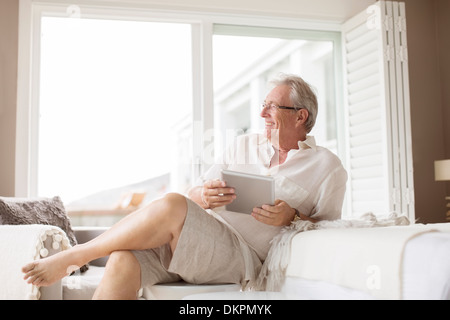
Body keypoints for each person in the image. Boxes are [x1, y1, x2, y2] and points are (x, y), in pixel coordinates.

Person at [22, 74, 347, 299]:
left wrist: (291, 217)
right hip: (195, 238)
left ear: (301, 116)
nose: (261, 113)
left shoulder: (326, 166)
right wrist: (202, 195)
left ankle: (76, 255)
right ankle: (81, 256)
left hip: (240, 255)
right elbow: (195, 192)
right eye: (263, 104)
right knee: (123, 260)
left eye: (272, 106)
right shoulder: (243, 145)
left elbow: (330, 227)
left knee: (172, 204)